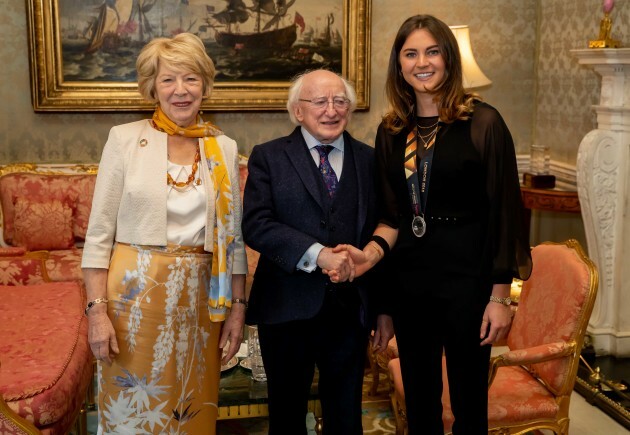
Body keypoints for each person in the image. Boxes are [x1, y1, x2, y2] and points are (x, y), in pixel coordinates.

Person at [330, 15, 533, 434]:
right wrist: (384, 306)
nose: (422, 62)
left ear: (448, 58)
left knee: (468, 403)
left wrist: (500, 297)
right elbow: (389, 217)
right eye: (411, 54)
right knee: (420, 405)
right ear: (399, 64)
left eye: (432, 51)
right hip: (410, 286)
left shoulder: (483, 123)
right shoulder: (392, 131)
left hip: (468, 285)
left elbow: (504, 214)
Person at [81, 33, 248, 434]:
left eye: (190, 79)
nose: (180, 90)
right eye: (169, 79)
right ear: (152, 86)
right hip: (134, 299)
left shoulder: (222, 147)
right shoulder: (124, 140)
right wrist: (96, 312)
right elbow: (99, 234)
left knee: (191, 408)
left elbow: (234, 239)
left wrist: (238, 310)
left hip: (200, 301)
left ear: (205, 86)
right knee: (133, 406)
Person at [242, 69, 394, 435]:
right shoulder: (269, 157)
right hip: (285, 309)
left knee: (346, 417)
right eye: (320, 101)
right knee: (286, 418)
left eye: (340, 101)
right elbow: (257, 225)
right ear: (298, 111)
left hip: (349, 313)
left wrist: (384, 310)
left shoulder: (371, 160)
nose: (331, 110)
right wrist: (317, 254)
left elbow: (384, 230)